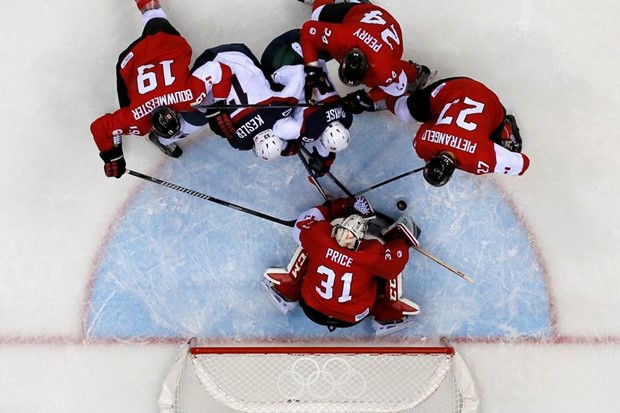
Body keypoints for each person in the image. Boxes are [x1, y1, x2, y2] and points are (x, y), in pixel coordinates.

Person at [90, 0, 236, 179]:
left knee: (203, 112)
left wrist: (113, 155)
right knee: (151, 13)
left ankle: (160, 139)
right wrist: (112, 155)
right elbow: (99, 128)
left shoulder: (184, 98)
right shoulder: (138, 119)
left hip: (150, 50)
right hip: (135, 58)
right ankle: (157, 138)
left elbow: (218, 70)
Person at [261, 196, 421, 337]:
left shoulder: (320, 237)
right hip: (352, 318)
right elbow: (395, 263)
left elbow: (301, 226)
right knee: (386, 269)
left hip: (311, 307)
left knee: (309, 246)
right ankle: (388, 316)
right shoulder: (371, 255)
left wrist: (337, 207)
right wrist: (401, 241)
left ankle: (286, 293)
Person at [386, 76, 530, 187]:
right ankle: (391, 94)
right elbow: (431, 125)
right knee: (404, 112)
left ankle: (506, 129)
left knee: (496, 141)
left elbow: (523, 164)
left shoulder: (480, 160)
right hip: (455, 86)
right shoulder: (423, 144)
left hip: (486, 101)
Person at [296, 0, 431, 114]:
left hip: (381, 32)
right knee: (318, 14)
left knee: (388, 69)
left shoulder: (382, 68)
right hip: (362, 17)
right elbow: (308, 30)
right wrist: (313, 70)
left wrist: (367, 97)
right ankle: (357, 2)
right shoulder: (339, 37)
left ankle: (416, 72)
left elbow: (398, 84)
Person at [261, 29, 355, 176]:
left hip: (309, 44)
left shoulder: (346, 118)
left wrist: (325, 160)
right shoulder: (308, 128)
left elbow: (325, 135)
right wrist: (287, 146)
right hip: (280, 53)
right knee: (268, 84)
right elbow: (276, 128)